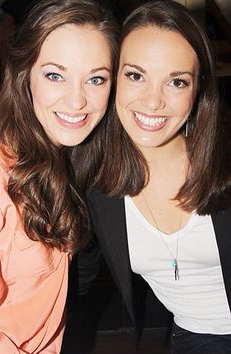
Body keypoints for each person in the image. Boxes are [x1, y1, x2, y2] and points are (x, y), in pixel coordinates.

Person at [83, 1, 231, 353]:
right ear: (111, 78)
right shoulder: (93, 180)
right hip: (190, 338)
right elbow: (75, 276)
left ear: (198, 91)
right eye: (136, 75)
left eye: (177, 82)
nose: (153, 102)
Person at [0, 0, 119, 352]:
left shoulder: (59, 157)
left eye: (95, 79)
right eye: (55, 75)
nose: (77, 100)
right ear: (24, 74)